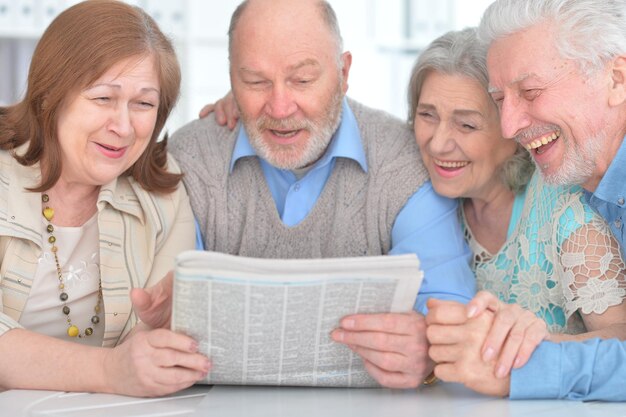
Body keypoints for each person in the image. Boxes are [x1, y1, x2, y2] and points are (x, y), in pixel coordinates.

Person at [169, 0, 475, 388]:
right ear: (231, 79)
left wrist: (427, 349)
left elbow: (448, 307)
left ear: (344, 73)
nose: (280, 108)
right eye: (256, 82)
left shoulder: (404, 161)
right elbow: (168, 311)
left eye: (302, 80)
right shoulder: (190, 158)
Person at [0, 1, 208, 397]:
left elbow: (146, 356)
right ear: (49, 97)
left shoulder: (163, 194)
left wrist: (162, 329)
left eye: (143, 104)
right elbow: (123, 369)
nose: (124, 127)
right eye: (103, 98)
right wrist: (112, 370)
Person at [427, 0, 626, 401]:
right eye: (500, 100)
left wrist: (526, 360)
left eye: (530, 92)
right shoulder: (593, 188)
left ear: (617, 79)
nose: (508, 126)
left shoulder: (568, 207)